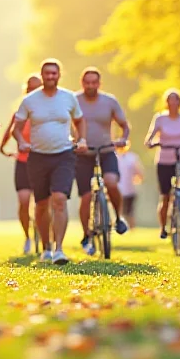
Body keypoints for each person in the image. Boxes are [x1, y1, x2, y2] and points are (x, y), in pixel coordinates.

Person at [13, 60, 87, 265]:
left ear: (59, 75)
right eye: (47, 73)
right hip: (38, 156)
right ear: (42, 75)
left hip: (64, 155)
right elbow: (16, 128)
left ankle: (59, 249)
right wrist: (21, 142)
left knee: (60, 199)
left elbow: (80, 120)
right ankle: (46, 246)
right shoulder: (30, 100)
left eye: (54, 73)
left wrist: (81, 139)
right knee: (41, 204)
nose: (50, 77)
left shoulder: (68, 98)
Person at [74, 67, 130, 256]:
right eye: (87, 82)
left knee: (111, 182)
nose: (91, 86)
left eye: (94, 82)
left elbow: (124, 125)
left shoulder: (109, 101)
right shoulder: (74, 100)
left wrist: (123, 139)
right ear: (82, 83)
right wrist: (71, 141)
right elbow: (63, 123)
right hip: (82, 154)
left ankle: (118, 217)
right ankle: (86, 235)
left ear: (99, 83)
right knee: (86, 197)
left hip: (106, 150)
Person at [0, 73, 43, 254]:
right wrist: (3, 148)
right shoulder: (20, 111)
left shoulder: (48, 110)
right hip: (23, 162)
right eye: (31, 89)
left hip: (42, 161)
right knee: (24, 201)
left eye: (37, 89)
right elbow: (10, 131)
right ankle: (27, 237)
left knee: (42, 203)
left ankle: (45, 236)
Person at [145, 89, 180, 239]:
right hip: (165, 160)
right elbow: (150, 135)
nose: (173, 103)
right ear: (166, 103)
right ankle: (163, 227)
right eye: (170, 100)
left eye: (176, 100)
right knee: (165, 196)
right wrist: (150, 142)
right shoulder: (160, 118)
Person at [117, 143, 144, 229]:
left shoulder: (131, 158)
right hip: (123, 189)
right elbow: (140, 174)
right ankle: (127, 228)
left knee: (127, 212)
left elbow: (139, 173)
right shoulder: (132, 157)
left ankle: (129, 229)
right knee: (127, 212)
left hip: (127, 189)